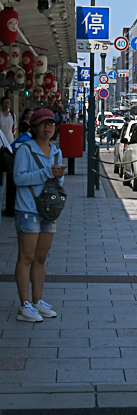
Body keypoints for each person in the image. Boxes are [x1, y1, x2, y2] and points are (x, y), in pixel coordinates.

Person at [13, 108, 65, 322]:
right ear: (34, 127)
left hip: (48, 209)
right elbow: (18, 178)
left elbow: (57, 182)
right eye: (43, 124)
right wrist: (46, 173)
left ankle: (37, 301)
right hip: (28, 209)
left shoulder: (56, 151)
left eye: (51, 124)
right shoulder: (26, 149)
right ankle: (24, 305)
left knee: (41, 258)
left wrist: (57, 176)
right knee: (26, 257)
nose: (48, 128)